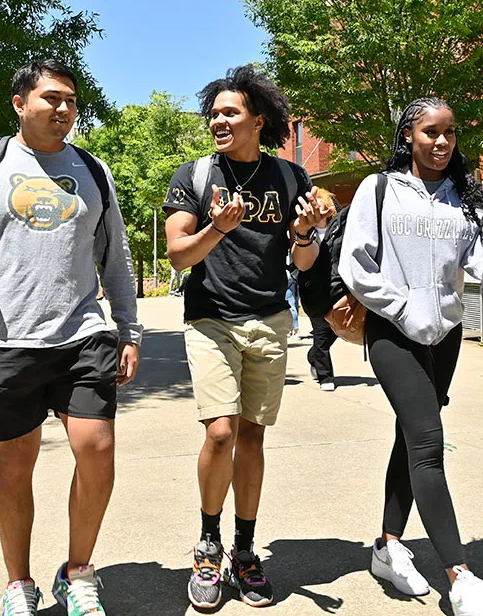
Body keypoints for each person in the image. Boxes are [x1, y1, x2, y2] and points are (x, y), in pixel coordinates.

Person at [0, 60, 141, 616]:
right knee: (14, 466)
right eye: (50, 98)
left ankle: (78, 572)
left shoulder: (93, 170)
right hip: (4, 338)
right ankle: (19, 584)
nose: (63, 108)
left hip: (82, 334)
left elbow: (116, 257)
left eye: (70, 99)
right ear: (20, 103)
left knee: (98, 450)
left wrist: (128, 328)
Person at [339, 97, 483, 616]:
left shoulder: (464, 199)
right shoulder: (378, 191)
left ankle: (388, 546)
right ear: (408, 137)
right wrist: (402, 308)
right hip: (393, 333)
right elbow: (357, 265)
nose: (442, 142)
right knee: (427, 442)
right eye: (430, 132)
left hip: (446, 336)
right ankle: (460, 577)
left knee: (409, 435)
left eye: (450, 133)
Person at [163, 64, 331, 609]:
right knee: (220, 434)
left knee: (253, 438)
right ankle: (208, 546)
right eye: (213, 112)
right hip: (210, 318)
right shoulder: (192, 177)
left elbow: (303, 261)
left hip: (270, 320)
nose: (218, 119)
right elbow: (178, 254)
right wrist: (218, 227)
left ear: (258, 120)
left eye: (230, 112)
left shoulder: (289, 178)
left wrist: (305, 232)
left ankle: (243, 549)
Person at [306, 188, 340, 391]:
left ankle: (314, 356)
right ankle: (325, 376)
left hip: (337, 287)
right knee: (320, 332)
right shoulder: (303, 229)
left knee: (334, 330)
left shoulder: (339, 229)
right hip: (314, 290)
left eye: (323, 206)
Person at [285, 259, 300, 337]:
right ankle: (295, 329)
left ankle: (292, 329)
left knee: (289, 304)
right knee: (293, 303)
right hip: (293, 275)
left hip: (286, 276)